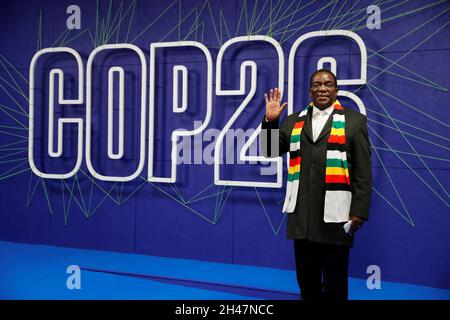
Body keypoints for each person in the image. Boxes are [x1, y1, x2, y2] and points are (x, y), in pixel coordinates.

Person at [261, 69, 372, 300]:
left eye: (328, 84)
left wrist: (359, 212)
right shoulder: (293, 121)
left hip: (337, 216)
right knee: (307, 281)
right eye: (317, 84)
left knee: (335, 284)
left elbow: (363, 170)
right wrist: (270, 122)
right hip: (303, 216)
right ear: (310, 90)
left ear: (336, 90)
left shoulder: (354, 121)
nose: (323, 88)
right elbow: (269, 151)